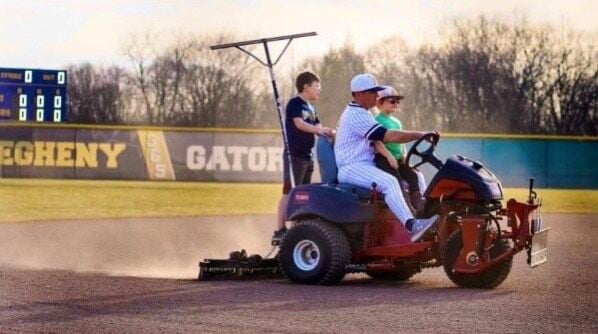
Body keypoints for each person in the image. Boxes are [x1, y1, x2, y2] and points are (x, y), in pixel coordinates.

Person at [334, 73, 438, 242]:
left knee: (415, 176)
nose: (377, 96)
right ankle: (412, 226)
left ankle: (426, 213)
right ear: (359, 94)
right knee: (389, 182)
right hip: (352, 167)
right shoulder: (356, 115)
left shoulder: (363, 113)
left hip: (364, 164)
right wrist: (420, 134)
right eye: (372, 92)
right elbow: (388, 136)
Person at [272, 71, 333, 244]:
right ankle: (280, 230)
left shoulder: (311, 108)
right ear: (306, 86)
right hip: (295, 156)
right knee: (290, 192)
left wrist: (330, 132)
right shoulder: (295, 103)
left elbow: (319, 126)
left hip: (307, 157)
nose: (319, 90)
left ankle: (296, 230)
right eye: (317, 86)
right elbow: (299, 124)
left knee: (302, 194)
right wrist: (318, 130)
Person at [373, 86, 428, 211]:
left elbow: (401, 141)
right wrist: (389, 156)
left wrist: (404, 156)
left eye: (397, 101)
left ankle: (419, 203)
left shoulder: (397, 122)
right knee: (396, 181)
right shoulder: (376, 120)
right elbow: (376, 142)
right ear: (380, 102)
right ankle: (407, 208)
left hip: (398, 159)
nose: (395, 103)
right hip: (385, 158)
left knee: (413, 176)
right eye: (392, 101)